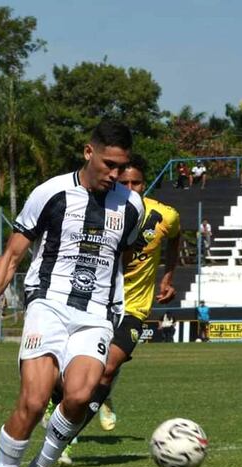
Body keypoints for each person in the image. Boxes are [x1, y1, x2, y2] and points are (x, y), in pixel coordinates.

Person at [0, 120, 144, 467]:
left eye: (122, 167)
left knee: (81, 395)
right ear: (89, 152)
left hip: (97, 313)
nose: (115, 175)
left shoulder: (131, 207)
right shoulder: (50, 193)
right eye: (109, 164)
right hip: (48, 305)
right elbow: (13, 254)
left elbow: (126, 257)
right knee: (32, 402)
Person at [47, 154, 180, 449]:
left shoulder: (164, 215)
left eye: (137, 183)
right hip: (100, 303)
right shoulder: (104, 213)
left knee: (106, 369)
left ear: (145, 185)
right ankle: (86, 402)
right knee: (74, 375)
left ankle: (64, 437)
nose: (131, 188)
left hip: (134, 307)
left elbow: (176, 237)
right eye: (124, 183)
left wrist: (168, 277)